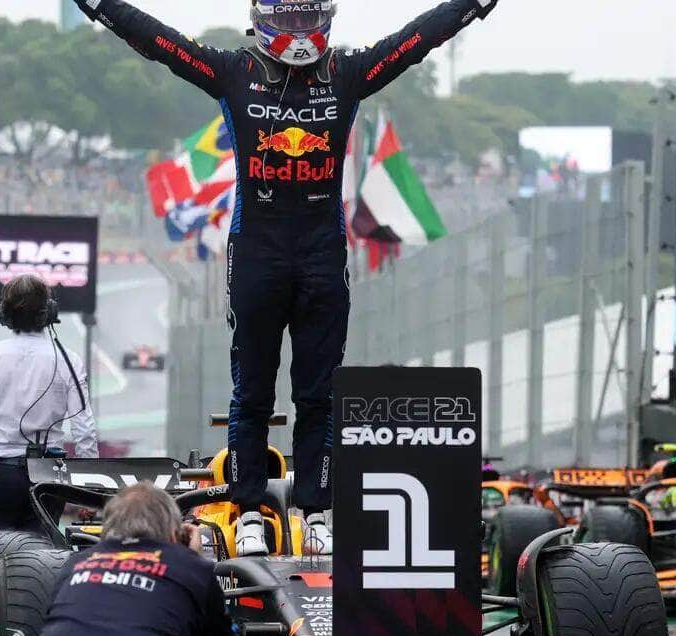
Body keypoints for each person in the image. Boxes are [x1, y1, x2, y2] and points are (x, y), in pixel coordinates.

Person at [72, 0, 502, 556]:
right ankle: (249, 510)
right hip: (258, 253)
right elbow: (161, 42)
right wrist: (106, 7)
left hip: (322, 255)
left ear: (326, 19)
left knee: (318, 395)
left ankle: (315, 511)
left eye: (309, 20)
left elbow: (412, 42)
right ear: (263, 18)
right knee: (251, 392)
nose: (301, 34)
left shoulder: (347, 73)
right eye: (290, 21)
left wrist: (467, 7)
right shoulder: (233, 71)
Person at [0, 482, 255, 636]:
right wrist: (192, 560)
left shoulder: (76, 563)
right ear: (176, 534)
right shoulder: (192, 567)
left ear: (108, 528)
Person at [0, 274, 99, 531]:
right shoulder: (69, 360)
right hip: (50, 478)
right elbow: (84, 429)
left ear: (3, 314)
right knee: (41, 564)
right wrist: (90, 491)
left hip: (0, 476)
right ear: (49, 313)